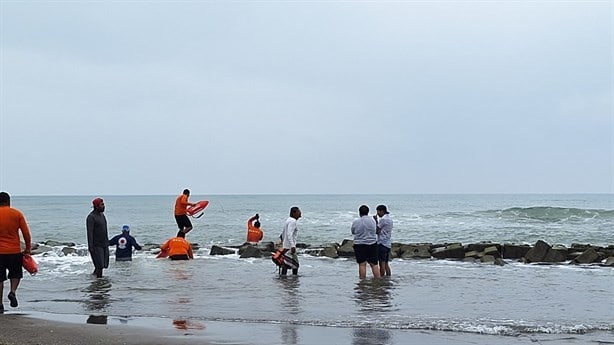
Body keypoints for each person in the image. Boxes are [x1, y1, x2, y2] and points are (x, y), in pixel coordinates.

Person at [0, 192, 32, 312]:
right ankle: (12, 292)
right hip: (14, 251)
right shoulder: (17, 214)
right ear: (9, 202)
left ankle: (0, 304)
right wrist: (27, 249)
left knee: (0, 278)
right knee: (15, 274)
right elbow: (26, 233)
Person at [351, 205, 380, 279]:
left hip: (359, 244)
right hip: (372, 243)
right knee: (374, 264)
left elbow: (353, 232)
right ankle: (378, 279)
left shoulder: (356, 221)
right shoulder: (372, 220)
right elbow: (375, 230)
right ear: (368, 212)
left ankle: (362, 281)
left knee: (362, 264)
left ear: (359, 212)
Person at [86, 197, 109, 278]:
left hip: (104, 244)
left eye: (103, 204)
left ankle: (94, 279)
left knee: (104, 265)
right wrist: (90, 247)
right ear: (96, 206)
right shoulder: (91, 217)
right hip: (96, 245)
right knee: (99, 266)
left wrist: (108, 242)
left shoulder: (102, 215)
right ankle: (99, 283)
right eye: (101, 205)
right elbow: (89, 232)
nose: (104, 206)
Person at [280, 206, 301, 275]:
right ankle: (294, 279)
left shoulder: (288, 220)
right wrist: (292, 245)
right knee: (295, 265)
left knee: (286, 263)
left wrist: (283, 242)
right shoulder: (293, 221)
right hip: (290, 247)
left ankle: (283, 278)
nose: (300, 213)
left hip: (286, 246)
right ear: (294, 213)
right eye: (299, 212)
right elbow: (289, 234)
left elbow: (283, 233)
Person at [375, 205, 393, 277]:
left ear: (382, 211)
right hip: (388, 243)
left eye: (378, 211)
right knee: (386, 263)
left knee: (381, 264)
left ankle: (381, 279)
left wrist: (375, 221)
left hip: (382, 243)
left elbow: (377, 231)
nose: (377, 213)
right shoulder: (390, 219)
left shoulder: (383, 219)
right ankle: (388, 278)